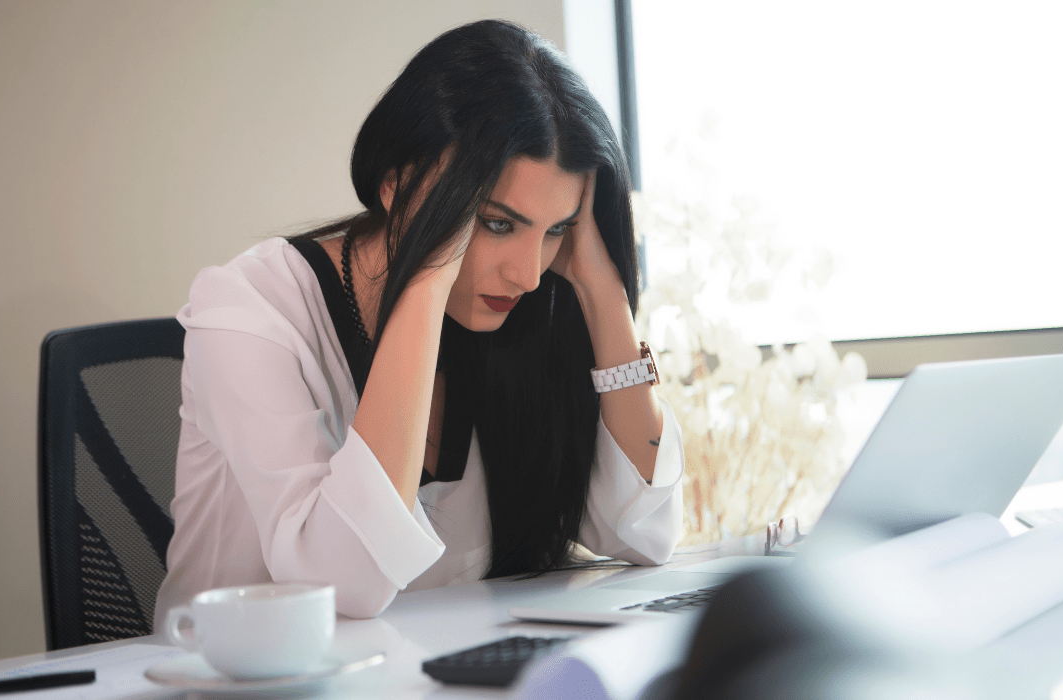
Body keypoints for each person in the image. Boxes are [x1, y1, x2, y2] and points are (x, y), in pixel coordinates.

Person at [155, 19, 685, 623]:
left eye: (556, 230)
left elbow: (646, 534)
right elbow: (346, 583)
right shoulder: (250, 310)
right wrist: (428, 275)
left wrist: (602, 290)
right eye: (498, 223)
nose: (528, 274)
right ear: (396, 186)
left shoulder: (527, 305)